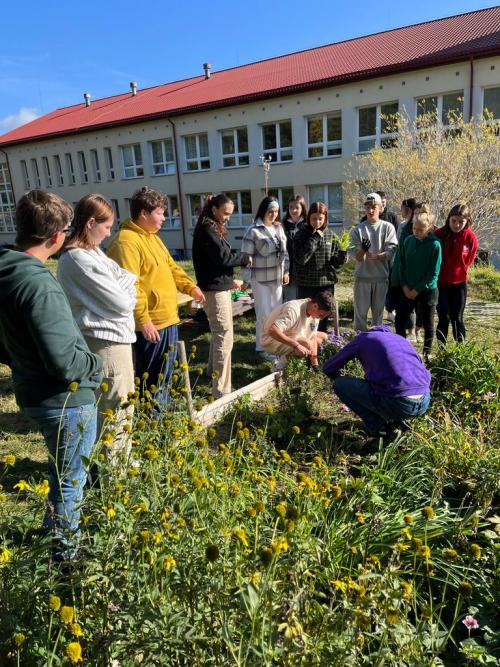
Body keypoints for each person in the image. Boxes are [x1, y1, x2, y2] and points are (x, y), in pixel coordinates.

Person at [0, 191, 103, 559]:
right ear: (57, 236)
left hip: (33, 391)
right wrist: (96, 366)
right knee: (71, 482)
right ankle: (64, 557)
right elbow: (64, 361)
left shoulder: (7, 271)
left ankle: (53, 534)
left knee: (62, 471)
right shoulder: (37, 283)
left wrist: (21, 360)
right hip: (65, 399)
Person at [107, 187, 205, 404]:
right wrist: (144, 320)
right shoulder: (126, 242)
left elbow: (172, 267)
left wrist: (190, 287)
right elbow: (130, 287)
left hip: (167, 318)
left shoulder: (152, 238)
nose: (164, 218)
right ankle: (151, 423)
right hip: (151, 325)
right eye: (160, 213)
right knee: (151, 379)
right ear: (144, 213)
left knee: (165, 375)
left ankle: (161, 420)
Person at [57, 194, 137, 460]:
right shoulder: (78, 258)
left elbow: (127, 277)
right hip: (106, 343)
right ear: (91, 222)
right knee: (115, 409)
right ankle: (113, 474)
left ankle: (116, 465)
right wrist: (124, 286)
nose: (109, 232)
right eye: (106, 226)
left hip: (116, 339)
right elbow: (123, 302)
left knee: (122, 405)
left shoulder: (93, 252)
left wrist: (123, 284)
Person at [323, 325, 431, 440]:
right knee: (391, 385)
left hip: (399, 402)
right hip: (424, 400)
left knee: (340, 385)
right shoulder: (400, 339)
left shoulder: (365, 338)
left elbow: (329, 367)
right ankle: (399, 421)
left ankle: (381, 428)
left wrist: (337, 376)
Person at [192, 193, 251, 398]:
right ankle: (221, 389)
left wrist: (229, 281)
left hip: (218, 286)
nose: (227, 217)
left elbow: (215, 262)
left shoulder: (211, 227)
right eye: (225, 213)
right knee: (225, 336)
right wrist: (244, 258)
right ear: (215, 209)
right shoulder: (208, 229)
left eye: (230, 214)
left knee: (219, 333)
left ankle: (211, 372)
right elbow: (224, 258)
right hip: (214, 291)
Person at [241, 196, 289, 361]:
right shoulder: (253, 230)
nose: (274, 215)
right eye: (270, 211)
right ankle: (262, 347)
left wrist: (286, 272)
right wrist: (246, 280)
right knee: (263, 314)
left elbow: (285, 253)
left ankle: (274, 344)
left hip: (276, 279)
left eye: (276, 212)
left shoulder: (279, 228)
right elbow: (246, 257)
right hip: (260, 279)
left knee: (276, 313)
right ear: (263, 211)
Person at [395, 210, 442, 361]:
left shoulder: (435, 245)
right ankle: (401, 351)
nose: (416, 232)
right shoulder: (408, 240)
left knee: (428, 323)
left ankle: (427, 354)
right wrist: (404, 286)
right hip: (407, 288)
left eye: (420, 229)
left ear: (429, 228)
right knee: (400, 319)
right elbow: (401, 264)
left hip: (427, 290)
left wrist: (417, 289)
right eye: (414, 228)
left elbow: (433, 273)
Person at [294, 201, 347, 332]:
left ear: (325, 218)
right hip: (307, 284)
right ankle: (304, 344)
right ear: (308, 218)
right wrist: (315, 238)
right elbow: (301, 259)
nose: (317, 222)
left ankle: (320, 343)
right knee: (306, 317)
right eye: (314, 218)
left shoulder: (330, 235)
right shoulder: (300, 235)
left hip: (326, 284)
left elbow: (334, 263)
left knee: (322, 317)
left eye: (320, 219)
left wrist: (341, 258)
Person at [349, 192, 398, 331]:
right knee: (360, 315)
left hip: (380, 278)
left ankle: (375, 344)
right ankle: (360, 344)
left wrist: (380, 256)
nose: (370, 210)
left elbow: (392, 249)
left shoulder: (388, 227)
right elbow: (357, 257)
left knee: (377, 316)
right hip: (362, 278)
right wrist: (363, 251)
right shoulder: (358, 230)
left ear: (381, 208)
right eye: (367, 207)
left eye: (374, 207)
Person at [261, 290, 336, 371]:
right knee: (305, 345)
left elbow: (313, 337)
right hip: (270, 340)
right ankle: (277, 368)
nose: (321, 318)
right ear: (315, 306)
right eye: (321, 315)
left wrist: (315, 364)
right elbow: (272, 330)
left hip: (291, 334)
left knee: (323, 337)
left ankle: (291, 357)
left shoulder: (313, 309)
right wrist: (296, 345)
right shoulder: (293, 310)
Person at [435, 203, 478, 343]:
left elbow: (470, 258)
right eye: (454, 221)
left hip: (459, 283)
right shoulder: (439, 234)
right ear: (448, 219)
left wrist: (462, 270)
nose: (457, 225)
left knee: (457, 317)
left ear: (467, 221)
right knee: (443, 317)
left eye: (461, 222)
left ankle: (460, 349)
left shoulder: (470, 237)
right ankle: (442, 349)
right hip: (441, 283)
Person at [282, 195, 307, 302]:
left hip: (305, 272)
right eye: (291, 207)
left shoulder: (308, 225)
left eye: (297, 207)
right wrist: (285, 271)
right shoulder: (282, 225)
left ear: (302, 208)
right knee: (290, 302)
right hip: (288, 271)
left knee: (304, 302)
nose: (293, 210)